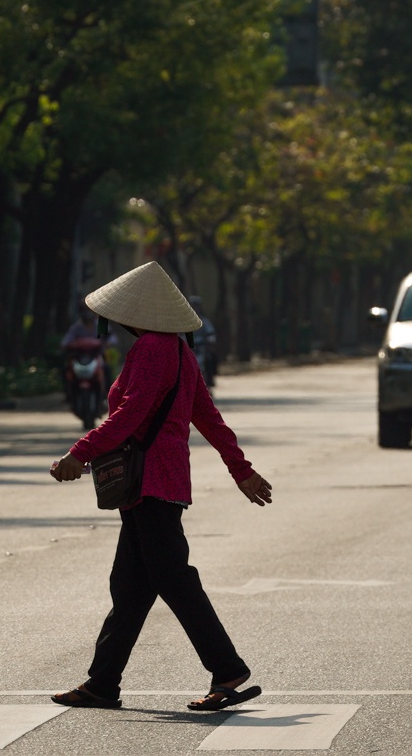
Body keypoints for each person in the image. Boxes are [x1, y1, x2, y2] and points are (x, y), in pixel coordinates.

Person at [48, 261, 273, 713]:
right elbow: (208, 417)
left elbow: (129, 416)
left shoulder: (153, 348)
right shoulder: (178, 351)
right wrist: (240, 469)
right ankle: (102, 683)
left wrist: (80, 452)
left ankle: (228, 668)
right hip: (156, 484)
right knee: (129, 587)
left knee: (175, 580)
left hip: (152, 483)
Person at [187, 294, 219, 388]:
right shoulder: (183, 322)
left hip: (201, 348)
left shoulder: (204, 322)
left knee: (210, 359)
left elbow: (211, 334)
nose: (195, 308)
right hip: (187, 348)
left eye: (196, 305)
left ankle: (210, 379)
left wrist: (210, 342)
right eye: (193, 305)